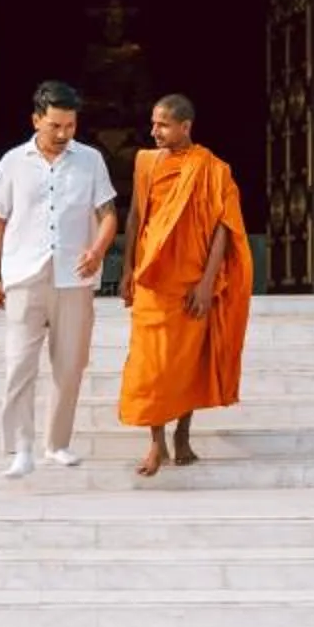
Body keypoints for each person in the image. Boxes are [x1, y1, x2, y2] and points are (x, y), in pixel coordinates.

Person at [0, 81, 118, 481]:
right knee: (19, 365)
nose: (62, 134)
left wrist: (97, 250)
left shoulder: (90, 160)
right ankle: (20, 448)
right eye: (55, 125)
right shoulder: (13, 162)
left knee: (70, 365)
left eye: (70, 126)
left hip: (73, 279)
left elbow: (108, 213)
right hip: (24, 275)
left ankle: (56, 443)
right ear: (36, 120)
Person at [117, 93, 252, 480]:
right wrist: (128, 267)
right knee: (152, 363)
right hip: (153, 280)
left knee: (187, 362)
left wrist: (207, 283)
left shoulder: (213, 169)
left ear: (185, 126)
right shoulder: (145, 163)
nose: (154, 131)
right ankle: (155, 442)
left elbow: (222, 230)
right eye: (153, 123)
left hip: (192, 281)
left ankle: (183, 435)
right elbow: (137, 217)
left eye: (162, 124)